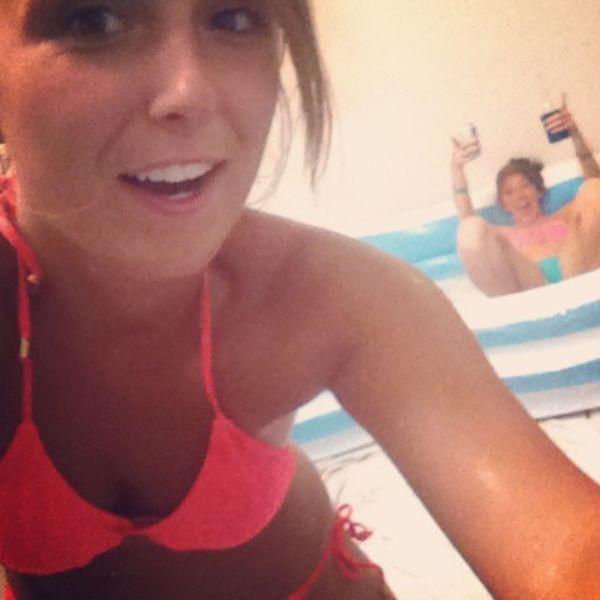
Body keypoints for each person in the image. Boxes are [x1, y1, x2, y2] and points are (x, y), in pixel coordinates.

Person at [0, 2, 598, 599]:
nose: (190, 93)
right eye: (93, 21)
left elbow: (567, 548)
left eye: (236, 19)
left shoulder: (333, 294)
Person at [452, 106, 600, 296]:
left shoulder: (564, 215)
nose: (519, 196)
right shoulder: (502, 235)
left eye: (525, 185)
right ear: (503, 204)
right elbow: (467, 221)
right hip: (530, 286)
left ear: (538, 191)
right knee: (470, 229)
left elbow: (595, 189)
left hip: (577, 270)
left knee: (593, 188)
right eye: (509, 192)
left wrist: (575, 135)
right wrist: (456, 168)